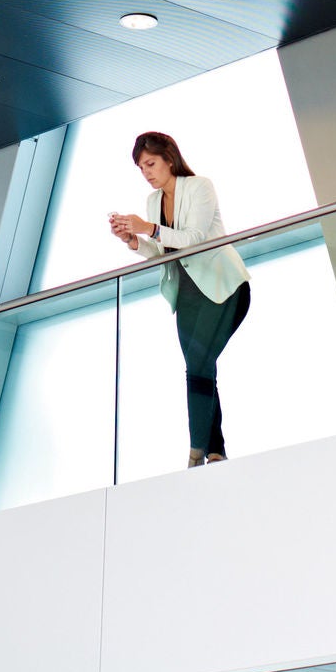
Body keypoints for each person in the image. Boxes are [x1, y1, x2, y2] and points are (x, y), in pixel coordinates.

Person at [110, 131, 252, 467]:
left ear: (169, 158)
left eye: (150, 163)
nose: (146, 172)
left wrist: (150, 228)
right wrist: (133, 239)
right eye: (140, 167)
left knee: (199, 367)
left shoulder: (200, 186)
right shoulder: (151, 202)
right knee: (199, 367)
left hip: (222, 287)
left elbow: (194, 239)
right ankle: (215, 450)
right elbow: (161, 253)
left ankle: (195, 452)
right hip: (186, 293)